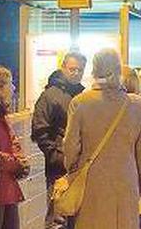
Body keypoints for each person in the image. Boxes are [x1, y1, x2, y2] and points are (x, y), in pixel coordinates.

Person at [62, 49, 141, 229]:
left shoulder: (80, 103)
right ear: (118, 69)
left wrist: (72, 172)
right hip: (127, 180)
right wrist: (140, 182)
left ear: (94, 70)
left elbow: (70, 148)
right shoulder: (137, 105)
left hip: (91, 183)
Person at [31, 52, 86, 229]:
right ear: (63, 68)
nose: (76, 73)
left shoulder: (84, 96)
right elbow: (40, 130)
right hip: (58, 169)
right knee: (58, 217)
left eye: (80, 70)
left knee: (78, 217)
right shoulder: (50, 96)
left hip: (80, 167)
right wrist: (56, 156)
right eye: (72, 69)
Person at [0, 66, 29, 229]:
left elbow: (11, 140)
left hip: (6, 188)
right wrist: (15, 162)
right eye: (11, 83)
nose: (14, 88)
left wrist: (20, 158)